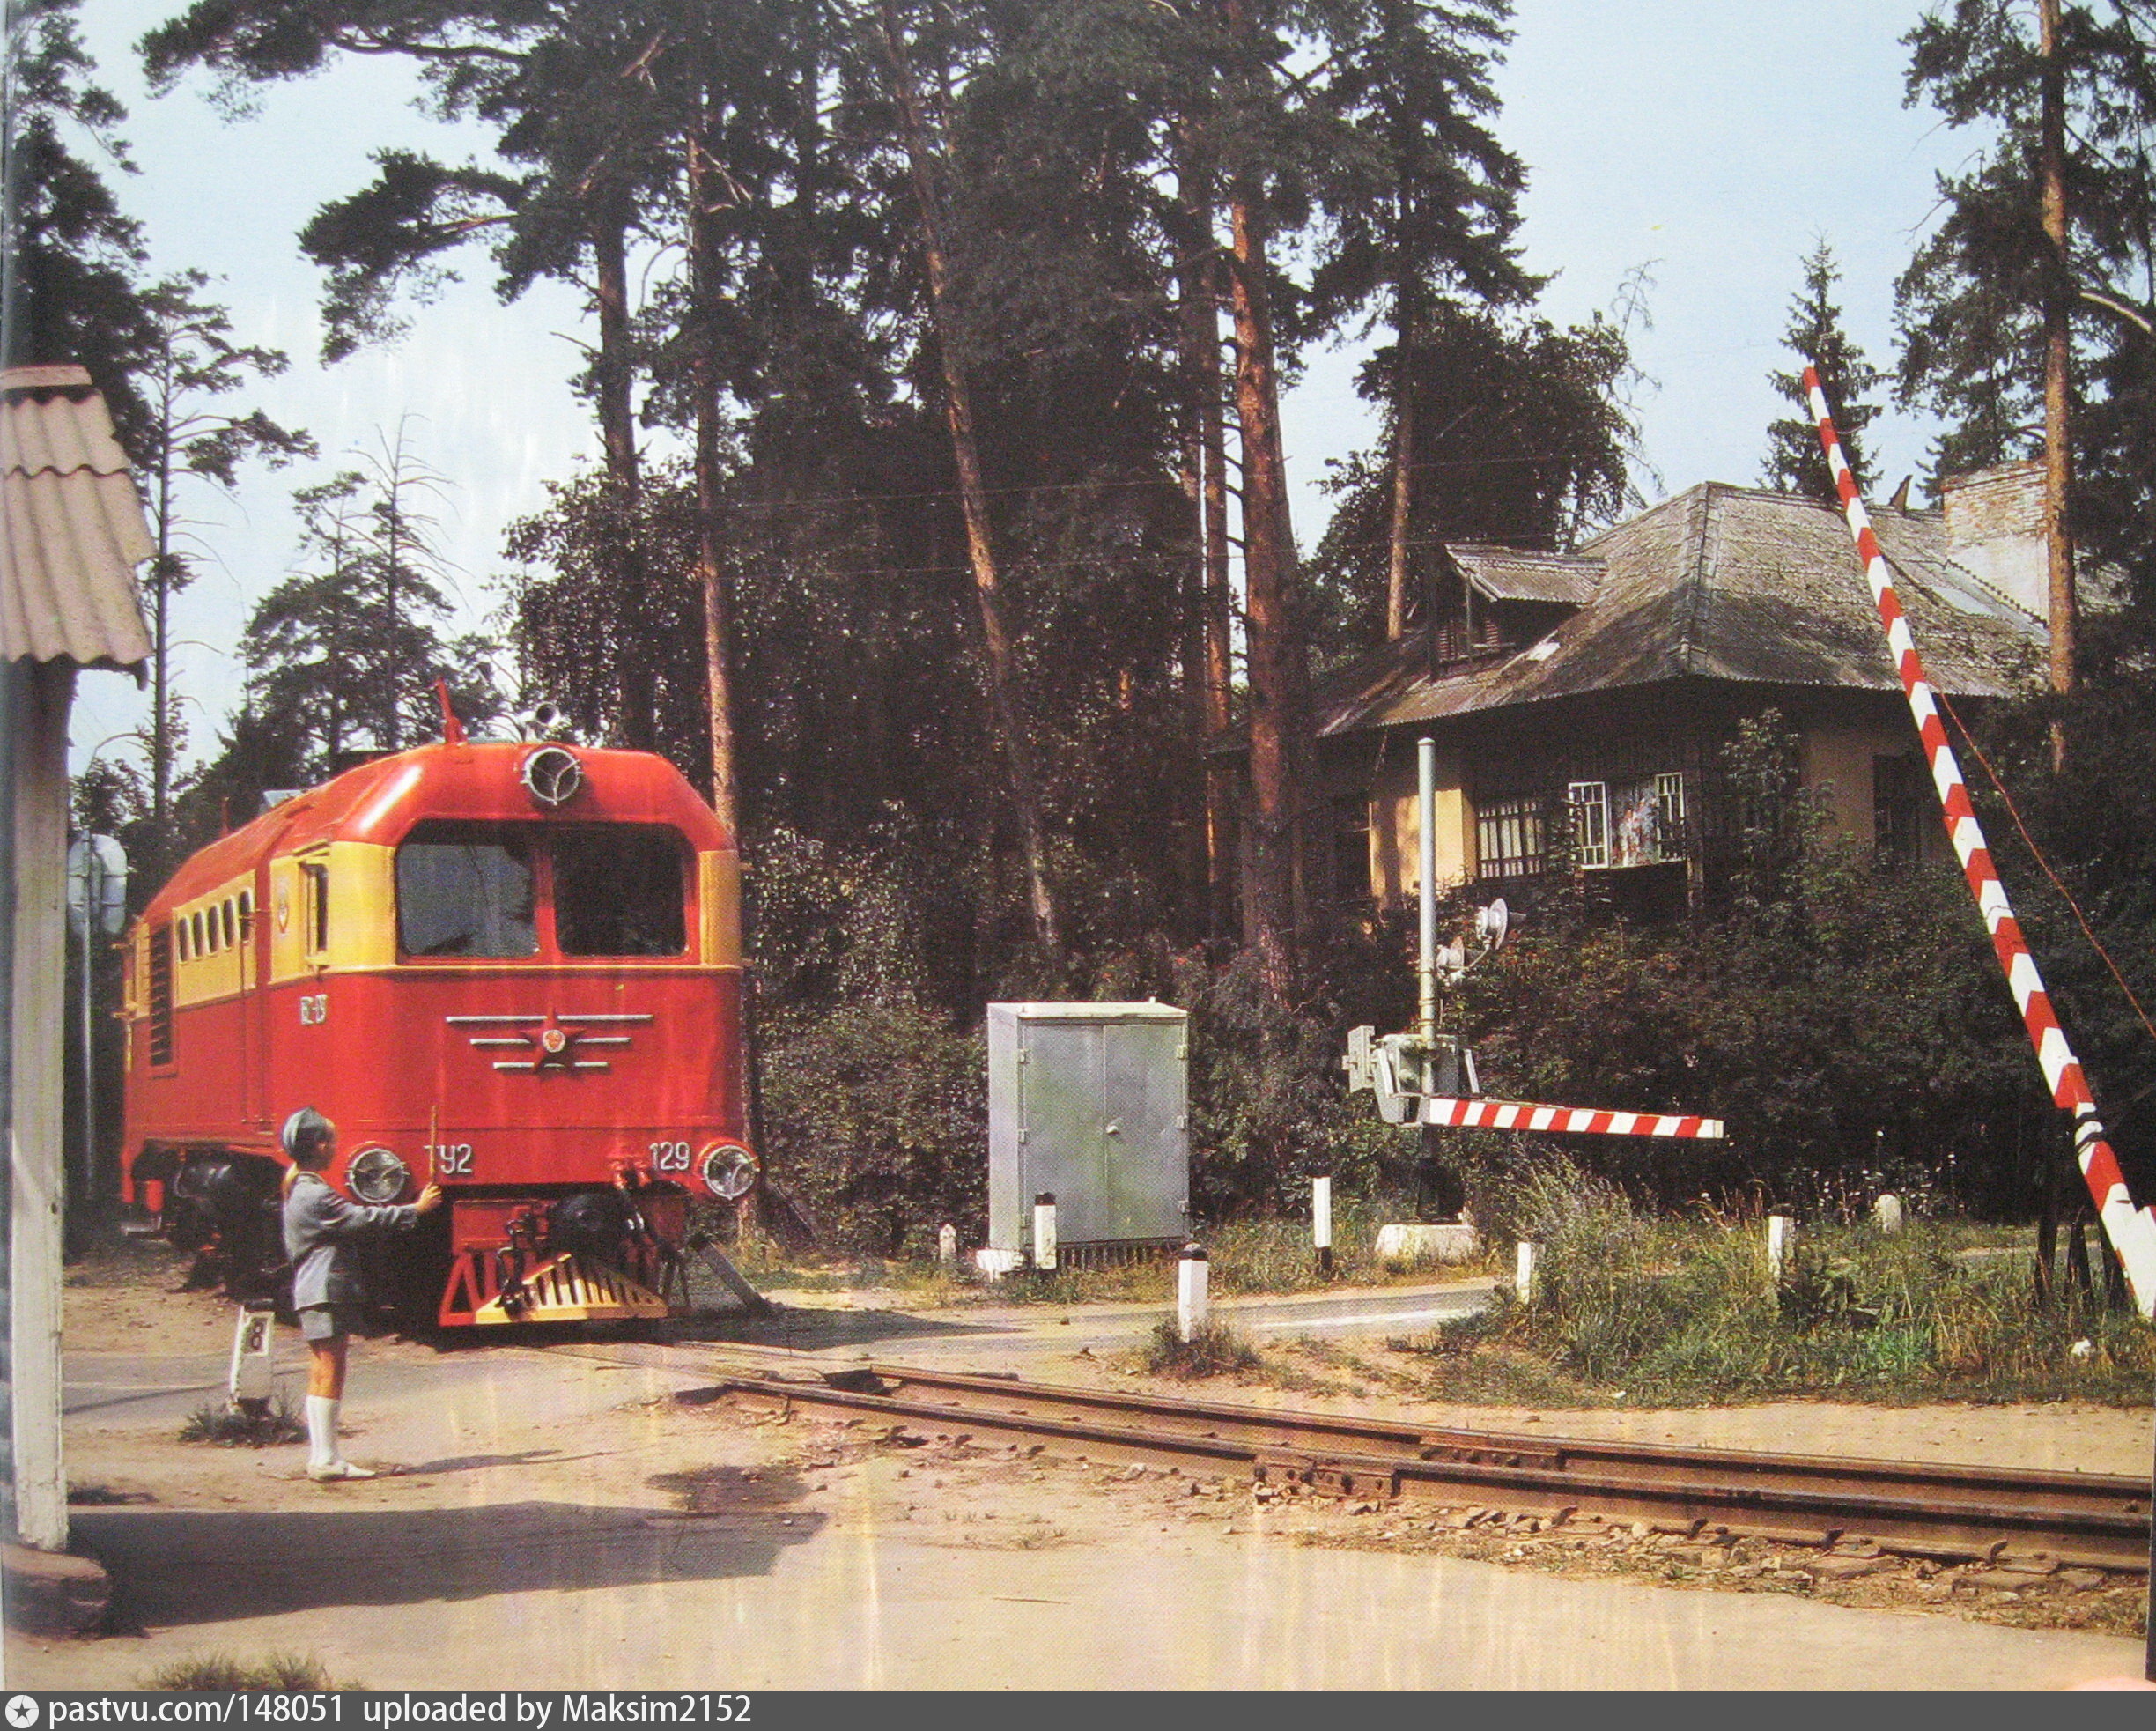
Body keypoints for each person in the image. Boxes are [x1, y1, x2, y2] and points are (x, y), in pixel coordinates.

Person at [279, 1107, 443, 1481]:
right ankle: (327, 1460)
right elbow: (362, 1219)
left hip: (313, 1287)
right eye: (331, 1140)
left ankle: (323, 1456)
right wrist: (415, 1209)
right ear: (319, 1145)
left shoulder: (299, 1188)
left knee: (322, 1370)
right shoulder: (316, 1195)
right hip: (327, 1288)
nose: (334, 1147)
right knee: (331, 1371)